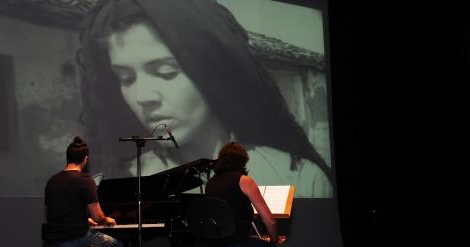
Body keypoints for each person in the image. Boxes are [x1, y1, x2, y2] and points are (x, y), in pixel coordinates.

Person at [78, 0, 333, 198]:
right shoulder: (114, 183)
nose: (143, 97)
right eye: (126, 78)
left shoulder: (297, 177)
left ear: (211, 73)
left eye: (167, 72)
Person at [44, 136, 133, 247]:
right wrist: (107, 219)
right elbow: (99, 216)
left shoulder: (52, 181)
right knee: (116, 246)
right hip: (76, 238)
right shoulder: (85, 180)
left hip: (53, 241)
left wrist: (85, 219)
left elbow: (59, 212)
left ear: (67, 157)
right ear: (85, 159)